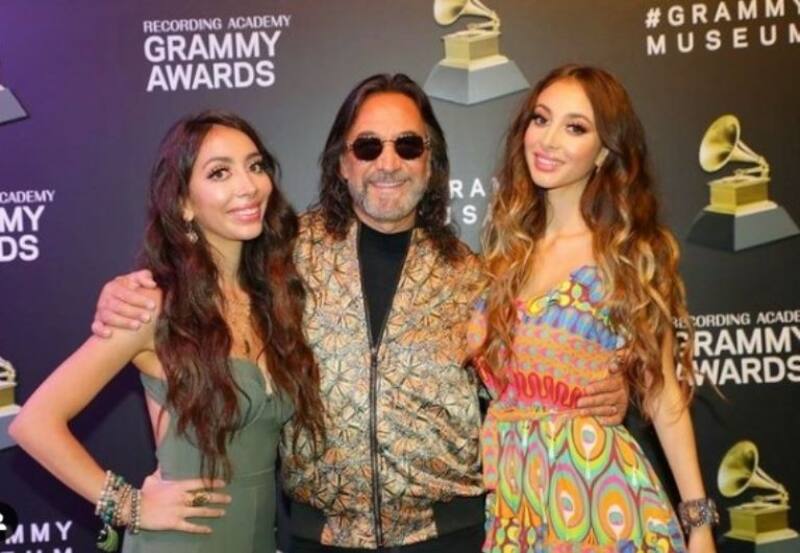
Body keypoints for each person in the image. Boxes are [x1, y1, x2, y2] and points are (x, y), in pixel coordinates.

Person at [91, 74, 630, 552]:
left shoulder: (476, 276)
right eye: (368, 146)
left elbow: (541, 356)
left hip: (450, 537)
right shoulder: (282, 257)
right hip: (319, 537)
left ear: (431, 163)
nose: (388, 163)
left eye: (408, 146)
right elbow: (203, 277)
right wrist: (131, 290)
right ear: (343, 163)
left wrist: (610, 385)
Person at [10, 111, 325, 553]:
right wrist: (129, 505)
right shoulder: (154, 307)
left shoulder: (272, 299)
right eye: (220, 172)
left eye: (255, 166)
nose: (248, 186)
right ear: (184, 204)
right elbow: (33, 423)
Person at [470, 64, 717, 553]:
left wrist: (700, 526)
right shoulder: (504, 256)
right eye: (541, 119)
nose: (548, 140)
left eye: (575, 127)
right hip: (518, 503)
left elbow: (663, 395)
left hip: (597, 496)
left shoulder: (623, 255)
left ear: (604, 151)